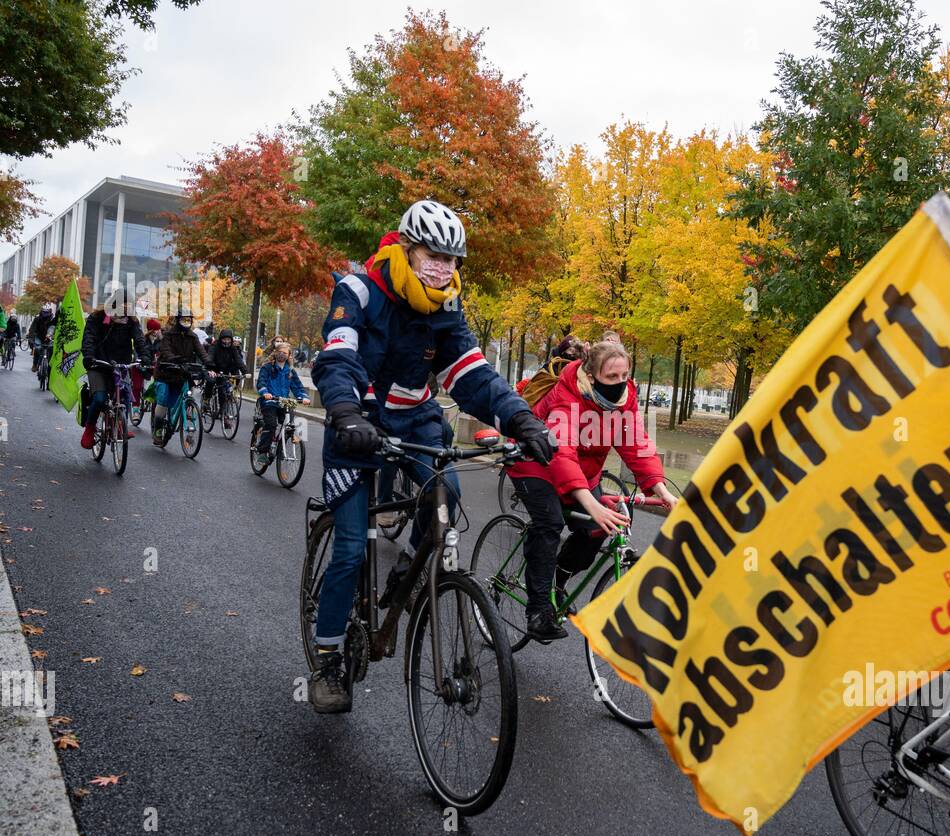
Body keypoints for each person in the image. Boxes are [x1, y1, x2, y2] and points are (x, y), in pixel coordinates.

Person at [308, 198, 556, 714]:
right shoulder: (358, 290)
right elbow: (338, 358)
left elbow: (470, 372)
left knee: (448, 502)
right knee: (353, 548)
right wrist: (347, 414)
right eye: (432, 254)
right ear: (406, 248)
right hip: (357, 423)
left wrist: (520, 419)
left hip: (416, 418)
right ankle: (329, 655)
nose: (443, 267)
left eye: (452, 259)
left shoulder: (446, 305)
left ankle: (408, 574)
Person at [506, 339, 677, 641]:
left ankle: (559, 578)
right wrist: (592, 504)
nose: (620, 383)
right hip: (536, 461)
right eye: (611, 377)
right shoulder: (568, 394)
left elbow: (636, 446)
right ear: (592, 374)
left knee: (597, 530)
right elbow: (562, 453)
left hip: (584, 472)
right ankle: (537, 610)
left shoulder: (626, 397)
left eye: (624, 375)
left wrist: (661, 490)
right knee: (549, 524)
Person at [79, 288, 151, 449]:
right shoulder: (97, 317)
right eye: (124, 306)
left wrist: (145, 357)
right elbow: (89, 337)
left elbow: (139, 340)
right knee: (99, 398)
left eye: (129, 306)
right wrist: (89, 356)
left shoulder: (132, 321)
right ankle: (89, 429)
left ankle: (120, 426)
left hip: (121, 365)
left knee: (125, 397)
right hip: (98, 363)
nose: (126, 311)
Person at [151, 305, 209, 447]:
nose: (186, 322)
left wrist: (209, 363)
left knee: (187, 396)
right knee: (163, 400)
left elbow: (201, 351)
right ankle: (158, 429)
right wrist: (173, 359)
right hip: (166, 371)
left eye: (189, 320)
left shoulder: (192, 336)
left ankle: (186, 423)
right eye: (183, 320)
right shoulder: (169, 335)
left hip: (182, 373)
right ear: (178, 320)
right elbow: (165, 350)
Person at [254, 340, 310, 466]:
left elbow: (297, 387)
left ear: (289, 355)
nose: (282, 354)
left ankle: (281, 444)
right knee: (271, 424)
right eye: (280, 352)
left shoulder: (290, 371)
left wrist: (304, 397)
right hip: (270, 401)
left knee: (290, 426)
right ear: (275, 353)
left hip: (285, 402)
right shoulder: (267, 367)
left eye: (285, 353)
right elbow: (261, 382)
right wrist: (265, 393)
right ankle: (262, 452)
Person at [201, 327, 245, 410]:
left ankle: (223, 414)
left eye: (228, 339)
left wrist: (245, 372)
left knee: (222, 392)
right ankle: (206, 399)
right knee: (211, 381)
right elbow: (210, 357)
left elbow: (238, 360)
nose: (226, 341)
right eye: (224, 339)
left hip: (223, 371)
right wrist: (210, 369)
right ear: (221, 339)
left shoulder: (233, 348)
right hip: (213, 369)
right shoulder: (215, 346)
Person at [30, 303, 58, 373]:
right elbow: (32, 329)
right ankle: (35, 364)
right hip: (39, 337)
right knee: (37, 349)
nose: (45, 314)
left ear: (50, 312)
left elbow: (54, 327)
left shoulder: (53, 319)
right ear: (41, 311)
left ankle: (50, 366)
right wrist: (31, 338)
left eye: (47, 312)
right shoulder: (37, 319)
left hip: (49, 337)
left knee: (51, 349)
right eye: (44, 312)